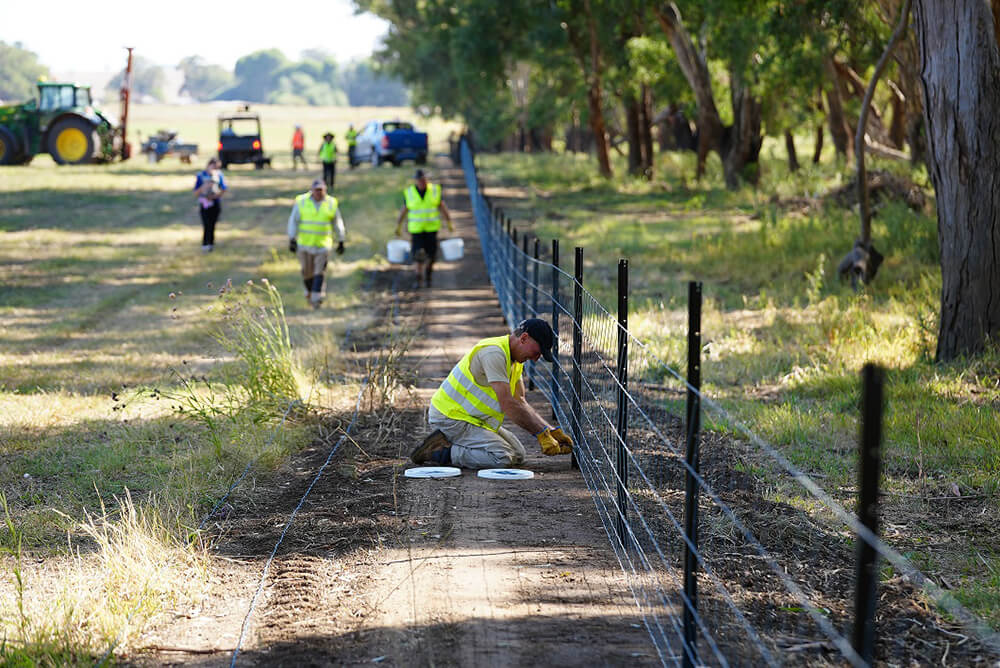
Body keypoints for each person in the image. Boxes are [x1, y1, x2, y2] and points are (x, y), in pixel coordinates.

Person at [410, 318, 574, 469]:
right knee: (502, 457)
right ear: (524, 338)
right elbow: (509, 405)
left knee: (518, 455)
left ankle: (456, 444)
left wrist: (549, 430)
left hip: (472, 418)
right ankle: (440, 451)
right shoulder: (493, 354)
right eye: (537, 352)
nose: (536, 359)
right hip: (450, 418)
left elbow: (520, 401)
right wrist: (539, 434)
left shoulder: (515, 360)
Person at [287, 178, 346, 308]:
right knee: (307, 272)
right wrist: (292, 239)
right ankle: (309, 293)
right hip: (305, 245)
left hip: (323, 245)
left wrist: (341, 239)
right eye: (317, 190)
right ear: (312, 190)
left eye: (321, 190)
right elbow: (293, 220)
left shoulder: (331, 203)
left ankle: (316, 299)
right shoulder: (301, 202)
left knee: (319, 272)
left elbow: (338, 222)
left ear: (325, 190)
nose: (319, 193)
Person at [394, 169, 454, 288]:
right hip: (416, 230)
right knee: (418, 255)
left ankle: (428, 275)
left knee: (431, 254)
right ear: (416, 181)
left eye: (423, 180)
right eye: (419, 180)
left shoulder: (435, 191)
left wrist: (449, 222)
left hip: (431, 229)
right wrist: (398, 225)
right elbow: (404, 210)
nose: (422, 182)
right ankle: (418, 278)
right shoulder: (410, 193)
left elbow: (442, 207)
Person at [193, 157, 227, 252]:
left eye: (217, 168)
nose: (215, 169)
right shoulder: (201, 176)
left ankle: (211, 244)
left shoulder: (219, 176)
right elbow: (195, 192)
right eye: (213, 167)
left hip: (215, 203)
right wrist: (204, 186)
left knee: (212, 224)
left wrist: (215, 196)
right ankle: (205, 243)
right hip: (204, 204)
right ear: (208, 165)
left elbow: (224, 189)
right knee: (206, 224)